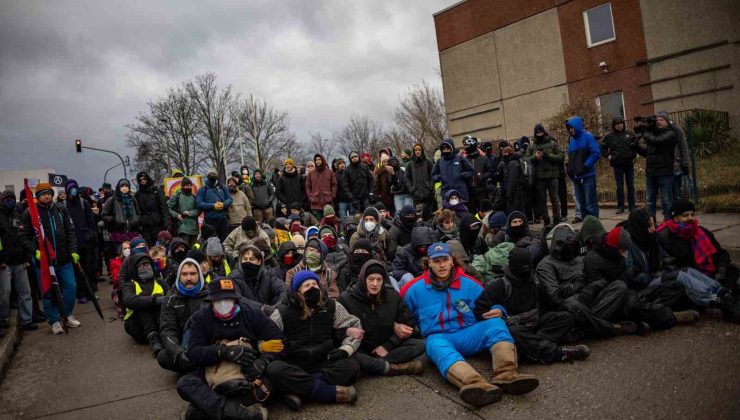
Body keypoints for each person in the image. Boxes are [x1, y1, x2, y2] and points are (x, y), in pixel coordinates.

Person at [401, 243, 539, 407]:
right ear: (428, 262)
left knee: (495, 324)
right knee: (433, 345)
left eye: (445, 259)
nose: (442, 265)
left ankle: (507, 374)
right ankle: (476, 385)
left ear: (452, 261)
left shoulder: (470, 284)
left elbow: (489, 304)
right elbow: (396, 312)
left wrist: (499, 310)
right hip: (440, 338)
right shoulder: (413, 289)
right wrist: (397, 326)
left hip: (469, 334)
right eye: (436, 261)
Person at [177, 277, 284, 420]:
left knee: (275, 376)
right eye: (218, 300)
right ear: (211, 300)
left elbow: (280, 341)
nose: (223, 303)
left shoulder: (252, 313)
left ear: (236, 299)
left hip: (249, 372)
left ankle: (205, 409)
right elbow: (193, 353)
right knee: (185, 384)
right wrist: (222, 352)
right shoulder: (200, 318)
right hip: (213, 372)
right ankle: (246, 414)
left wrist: (263, 361)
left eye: (228, 298)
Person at [474, 248, 589, 364]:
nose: (527, 271)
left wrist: (562, 291)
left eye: (529, 268)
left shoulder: (533, 281)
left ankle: (529, 349)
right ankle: (558, 353)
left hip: (533, 322)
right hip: (513, 326)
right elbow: (479, 310)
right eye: (524, 268)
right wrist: (499, 314)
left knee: (566, 318)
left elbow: (545, 306)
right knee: (515, 332)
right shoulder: (499, 286)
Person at [266, 270, 361, 405]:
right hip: (295, 363)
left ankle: (298, 392)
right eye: (306, 285)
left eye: (314, 284)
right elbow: (266, 334)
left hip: (323, 360)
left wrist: (346, 348)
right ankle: (331, 393)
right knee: (274, 370)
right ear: (297, 291)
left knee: (352, 366)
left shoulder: (331, 306)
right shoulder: (282, 312)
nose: (312, 288)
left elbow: (353, 325)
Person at [537, 224, 638, 338]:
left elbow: (594, 281)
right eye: (568, 245)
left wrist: (593, 287)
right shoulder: (545, 265)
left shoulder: (579, 259)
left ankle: (585, 328)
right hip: (567, 306)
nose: (571, 248)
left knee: (620, 286)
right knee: (572, 304)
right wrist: (573, 287)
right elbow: (555, 297)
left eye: (573, 244)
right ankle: (611, 328)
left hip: (587, 301)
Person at [338, 260, 425, 376]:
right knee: (346, 354)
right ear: (363, 279)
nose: (375, 284)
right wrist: (346, 331)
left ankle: (373, 366)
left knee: (421, 345)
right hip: (360, 348)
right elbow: (333, 330)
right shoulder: (346, 298)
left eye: (379, 280)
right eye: (371, 279)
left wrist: (388, 345)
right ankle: (391, 367)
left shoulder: (392, 296)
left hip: (386, 347)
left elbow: (409, 323)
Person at [20, 183, 81, 335]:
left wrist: (73, 250)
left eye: (48, 193)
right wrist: (35, 252)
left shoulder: (61, 209)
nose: (46, 196)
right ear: (37, 196)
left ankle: (66, 314)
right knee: (49, 293)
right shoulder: (30, 213)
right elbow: (24, 236)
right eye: (42, 194)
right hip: (45, 263)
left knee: (71, 288)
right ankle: (54, 321)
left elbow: (70, 231)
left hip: (64, 259)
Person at [657, 199, 739, 292]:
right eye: (685, 215)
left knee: (732, 270)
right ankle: (718, 291)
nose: (690, 218)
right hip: (689, 275)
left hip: (710, 272)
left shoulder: (702, 231)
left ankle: (719, 290)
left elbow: (720, 253)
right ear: (675, 217)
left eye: (692, 214)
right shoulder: (666, 236)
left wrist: (721, 269)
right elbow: (669, 265)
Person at [157, 258, 207, 372]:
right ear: (179, 276)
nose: (189, 278)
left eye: (193, 274)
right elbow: (167, 330)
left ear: (199, 275)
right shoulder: (170, 299)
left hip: (206, 344)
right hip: (184, 346)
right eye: (184, 274)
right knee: (163, 357)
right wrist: (178, 353)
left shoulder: (210, 294)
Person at [0, 190, 37, 333]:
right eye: (6, 198)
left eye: (12, 198)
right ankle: (3, 319)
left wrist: (27, 258)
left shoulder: (18, 215)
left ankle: (27, 320)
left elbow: (24, 238)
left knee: (25, 292)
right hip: (4, 263)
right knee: (5, 292)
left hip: (20, 260)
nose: (9, 200)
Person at [121, 253, 168, 354]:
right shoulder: (129, 285)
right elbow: (129, 301)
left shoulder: (160, 282)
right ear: (135, 268)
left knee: (160, 302)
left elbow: (171, 297)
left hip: (161, 324)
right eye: (141, 266)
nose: (145, 268)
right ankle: (153, 338)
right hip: (137, 326)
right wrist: (155, 300)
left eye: (147, 265)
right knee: (142, 303)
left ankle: (165, 336)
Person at [635, 111, 677, 221]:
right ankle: (651, 223)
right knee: (649, 201)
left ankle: (668, 223)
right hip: (651, 173)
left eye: (661, 120)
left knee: (666, 200)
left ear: (667, 122)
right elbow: (647, 153)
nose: (658, 122)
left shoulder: (671, 134)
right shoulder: (653, 134)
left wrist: (645, 133)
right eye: (657, 120)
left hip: (665, 173)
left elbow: (657, 141)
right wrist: (635, 146)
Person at [64, 180, 97, 301]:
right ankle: (81, 294)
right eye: (70, 188)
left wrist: (89, 235)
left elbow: (91, 221)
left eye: (75, 188)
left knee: (88, 268)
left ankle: (91, 292)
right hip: (72, 244)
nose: (73, 190)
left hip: (86, 242)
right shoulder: (63, 206)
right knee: (76, 270)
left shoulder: (84, 203)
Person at [526, 124, 564, 225]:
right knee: (542, 201)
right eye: (537, 132)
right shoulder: (531, 146)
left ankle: (556, 220)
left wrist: (547, 155)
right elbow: (525, 161)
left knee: (555, 200)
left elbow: (560, 157)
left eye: (541, 132)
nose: (539, 134)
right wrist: (535, 157)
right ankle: (546, 222)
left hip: (552, 177)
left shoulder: (552, 143)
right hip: (539, 178)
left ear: (544, 131)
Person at [565, 116, 601, 218]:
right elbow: (572, 158)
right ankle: (587, 226)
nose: (571, 130)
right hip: (576, 177)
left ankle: (595, 226)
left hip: (588, 175)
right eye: (569, 128)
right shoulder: (572, 140)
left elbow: (596, 153)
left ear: (577, 126)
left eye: (572, 127)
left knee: (590, 204)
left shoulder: (588, 136)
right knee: (582, 206)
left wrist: (585, 166)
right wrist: (570, 170)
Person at [600, 116, 637, 214]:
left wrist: (634, 156)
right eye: (617, 124)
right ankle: (620, 207)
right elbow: (602, 147)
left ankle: (632, 206)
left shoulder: (630, 134)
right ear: (614, 125)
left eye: (621, 123)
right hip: (617, 165)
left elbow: (635, 146)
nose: (619, 125)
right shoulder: (609, 136)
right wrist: (608, 156)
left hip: (629, 164)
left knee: (631, 186)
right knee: (619, 187)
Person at [102, 179, 142, 246]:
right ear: (119, 187)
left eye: (126, 186)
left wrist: (136, 220)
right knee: (120, 254)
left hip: (132, 233)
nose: (124, 188)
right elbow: (104, 215)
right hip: (118, 234)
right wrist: (114, 219)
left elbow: (138, 213)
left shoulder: (132, 199)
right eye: (122, 186)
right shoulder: (112, 200)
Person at [196, 170, 233, 242]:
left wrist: (224, 204)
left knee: (225, 241)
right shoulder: (203, 189)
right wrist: (213, 206)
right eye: (210, 178)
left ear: (216, 178)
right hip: (210, 219)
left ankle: (225, 253)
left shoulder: (223, 187)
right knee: (211, 240)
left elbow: (230, 199)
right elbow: (199, 203)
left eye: (214, 178)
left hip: (223, 219)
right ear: (208, 178)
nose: (212, 180)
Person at [135, 172, 169, 246]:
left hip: (158, 224)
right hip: (145, 226)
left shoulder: (156, 191)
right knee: (149, 248)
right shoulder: (137, 195)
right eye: (140, 180)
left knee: (160, 248)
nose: (143, 181)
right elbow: (137, 211)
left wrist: (165, 223)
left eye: (144, 179)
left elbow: (164, 207)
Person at [462, 136, 493, 214]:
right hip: (469, 191)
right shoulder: (464, 160)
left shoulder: (483, 158)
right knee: (471, 211)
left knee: (484, 211)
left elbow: (490, 171)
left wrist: (482, 176)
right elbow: (461, 172)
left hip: (481, 190)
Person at [167, 177, 200, 247]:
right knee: (184, 247)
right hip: (183, 227)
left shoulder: (194, 197)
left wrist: (189, 213)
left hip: (194, 228)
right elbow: (167, 207)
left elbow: (199, 211)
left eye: (190, 185)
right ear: (182, 186)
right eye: (187, 185)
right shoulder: (177, 195)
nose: (188, 187)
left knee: (193, 249)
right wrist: (176, 215)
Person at [405, 143, 435, 220]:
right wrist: (411, 189)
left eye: (419, 150)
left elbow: (433, 175)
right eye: (416, 150)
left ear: (422, 150)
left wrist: (430, 186)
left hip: (428, 194)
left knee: (429, 216)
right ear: (413, 151)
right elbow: (406, 178)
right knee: (419, 217)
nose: (417, 151)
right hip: (416, 195)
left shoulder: (428, 161)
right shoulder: (410, 164)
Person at [305, 154, 337, 220]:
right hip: (315, 203)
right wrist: (310, 197)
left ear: (323, 160)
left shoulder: (330, 172)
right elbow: (308, 187)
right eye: (316, 160)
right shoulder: (311, 174)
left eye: (319, 159)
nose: (318, 161)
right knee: (317, 224)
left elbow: (334, 185)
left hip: (328, 202)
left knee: (329, 222)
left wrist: (332, 196)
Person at [343, 151, 374, 216]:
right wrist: (351, 198)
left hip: (365, 198)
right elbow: (345, 186)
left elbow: (371, 180)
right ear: (350, 159)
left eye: (356, 156)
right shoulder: (347, 170)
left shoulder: (364, 166)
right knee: (355, 219)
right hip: (354, 199)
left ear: (358, 157)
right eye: (352, 157)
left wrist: (371, 193)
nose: (354, 158)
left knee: (369, 216)